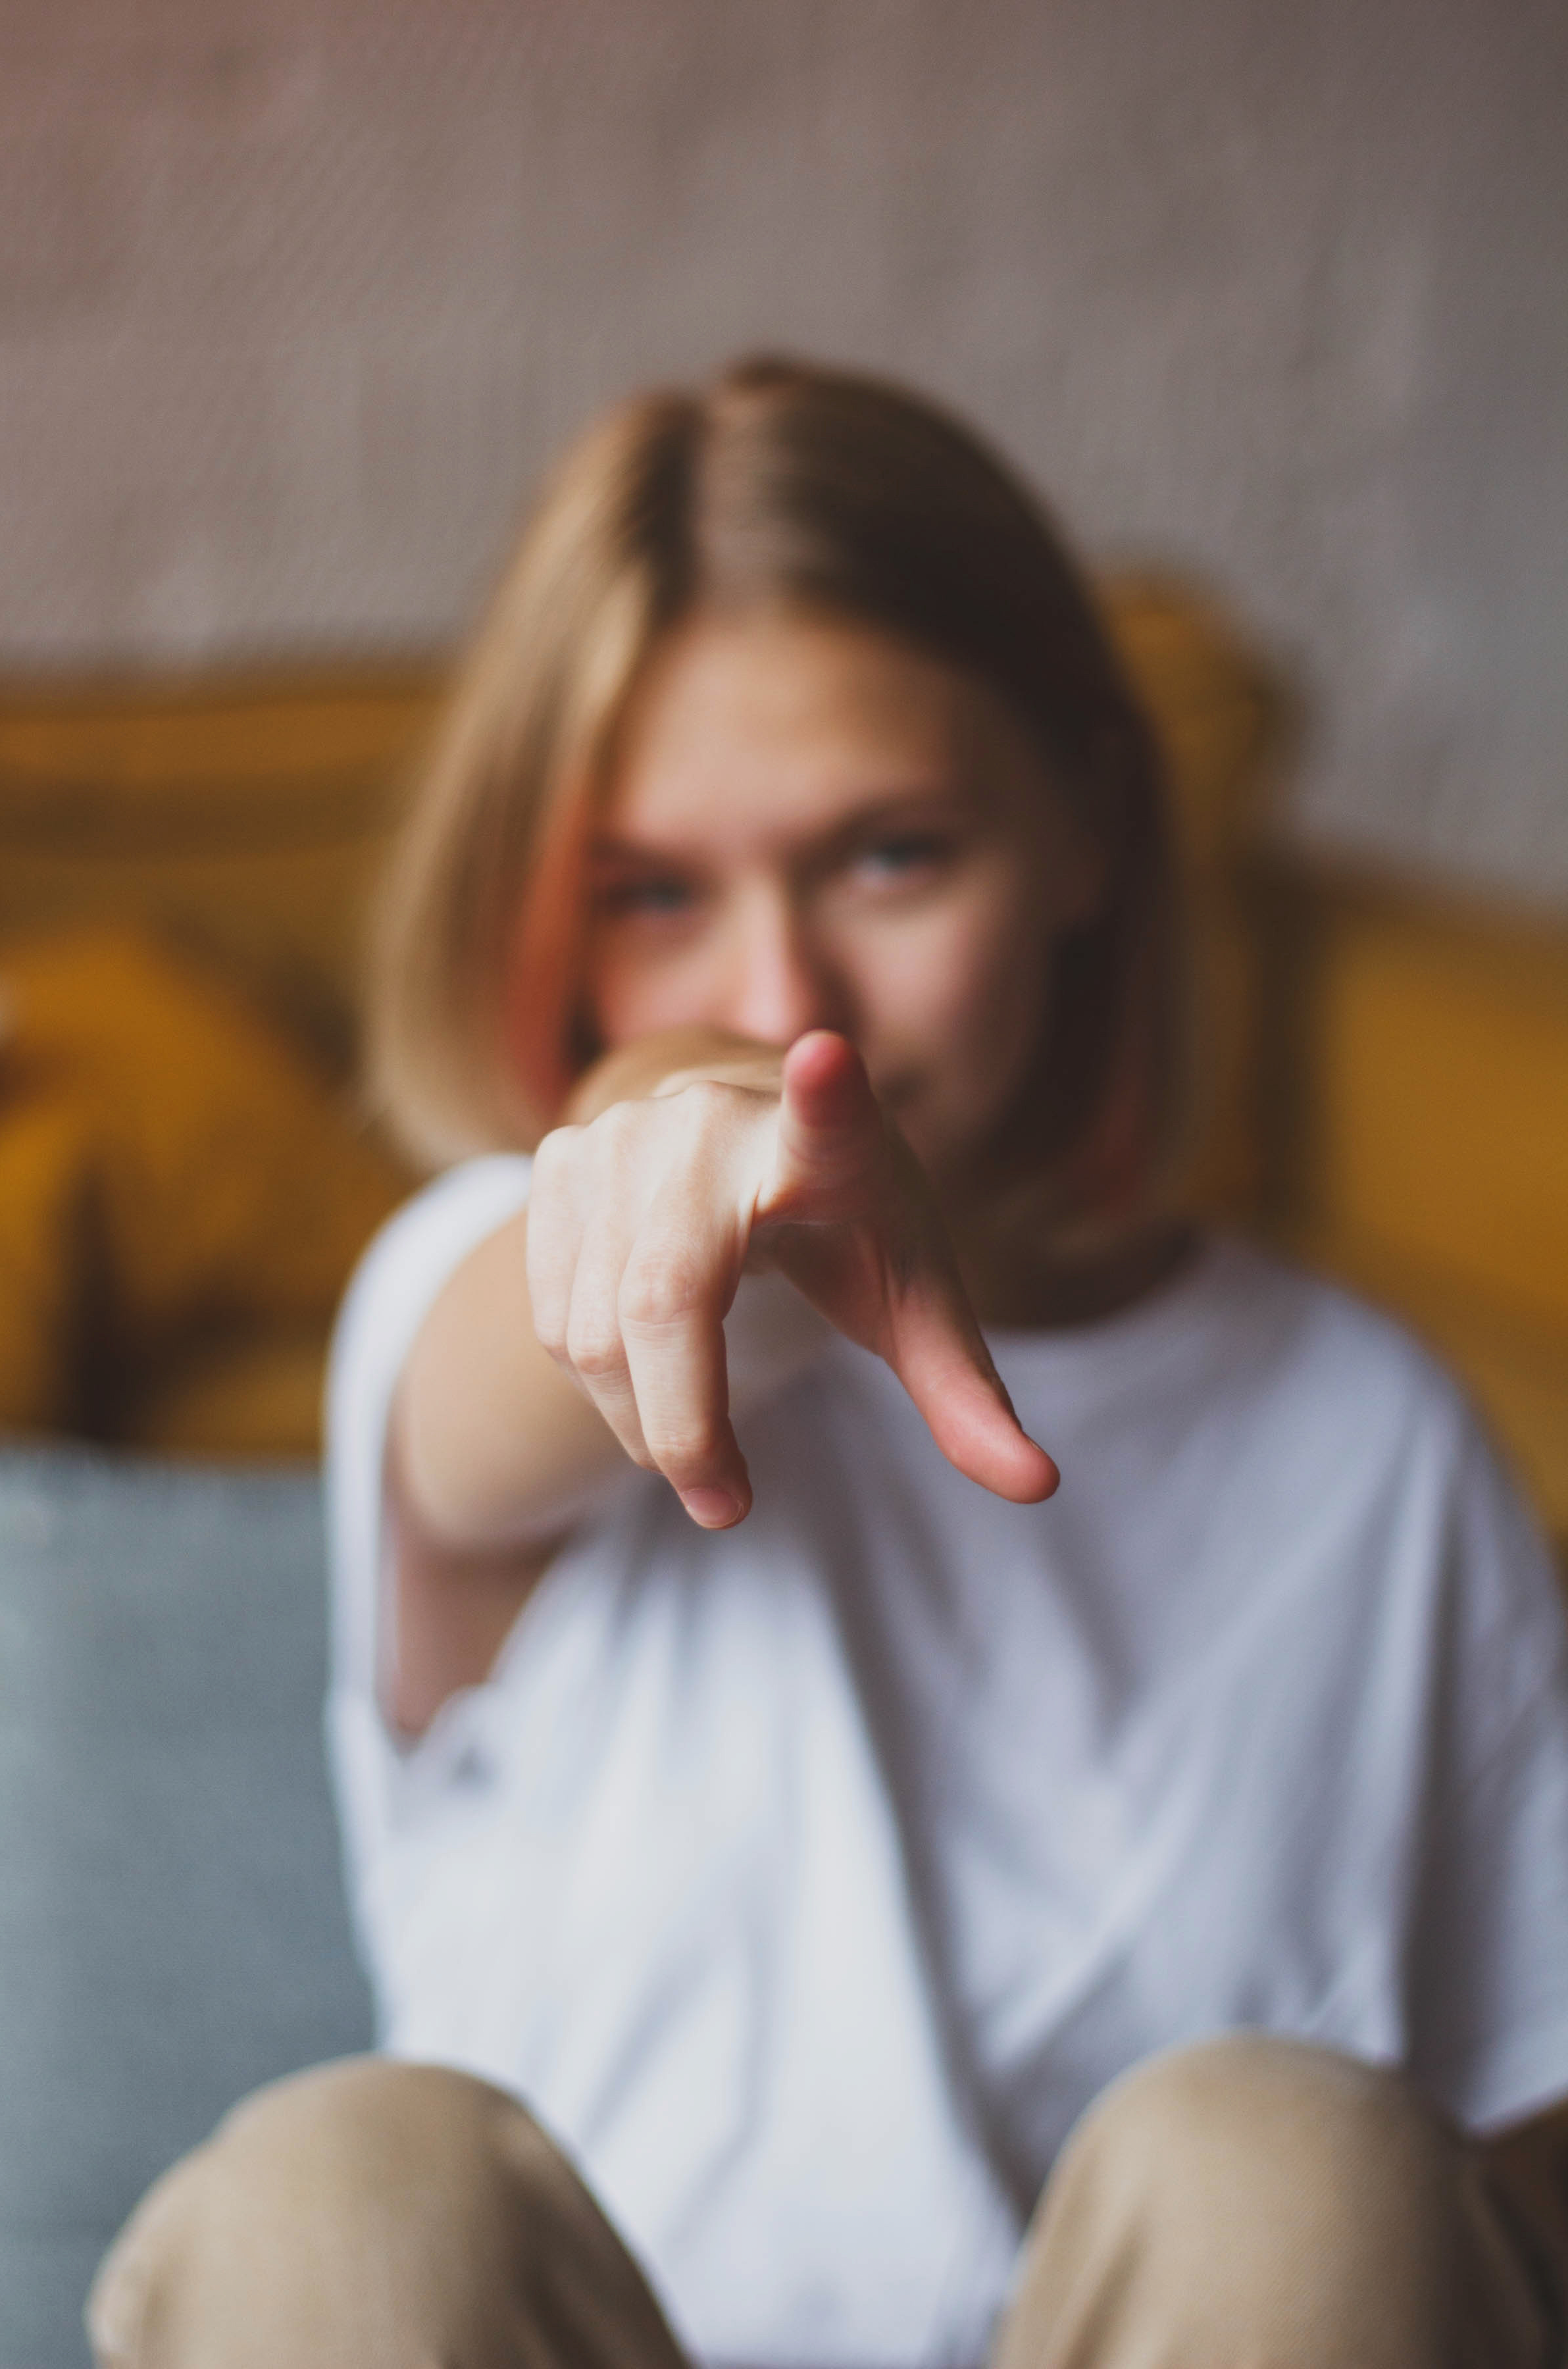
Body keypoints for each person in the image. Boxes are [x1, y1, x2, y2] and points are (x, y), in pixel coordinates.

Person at [89, 359, 1568, 2368]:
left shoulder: (1369, 1436)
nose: (788, 997)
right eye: (657, 892)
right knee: (341, 2200)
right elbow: (620, 1309)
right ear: (552, 934)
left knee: (1285, 2164)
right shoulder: (486, 1295)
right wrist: (682, 1130)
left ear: (1085, 842)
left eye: (891, 856)